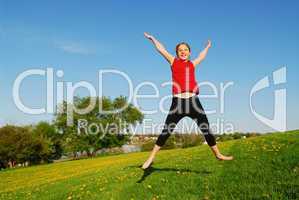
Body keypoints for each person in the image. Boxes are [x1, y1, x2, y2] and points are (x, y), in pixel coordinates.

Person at [141, 32, 233, 170]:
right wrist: (153, 39)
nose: (183, 52)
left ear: (189, 52)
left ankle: (218, 154)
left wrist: (207, 47)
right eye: (180, 50)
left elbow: (201, 56)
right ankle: (151, 157)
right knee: (166, 131)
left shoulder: (192, 64)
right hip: (178, 103)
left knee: (206, 128)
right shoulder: (173, 61)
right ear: (177, 53)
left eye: (185, 50)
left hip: (193, 102)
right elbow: (161, 49)